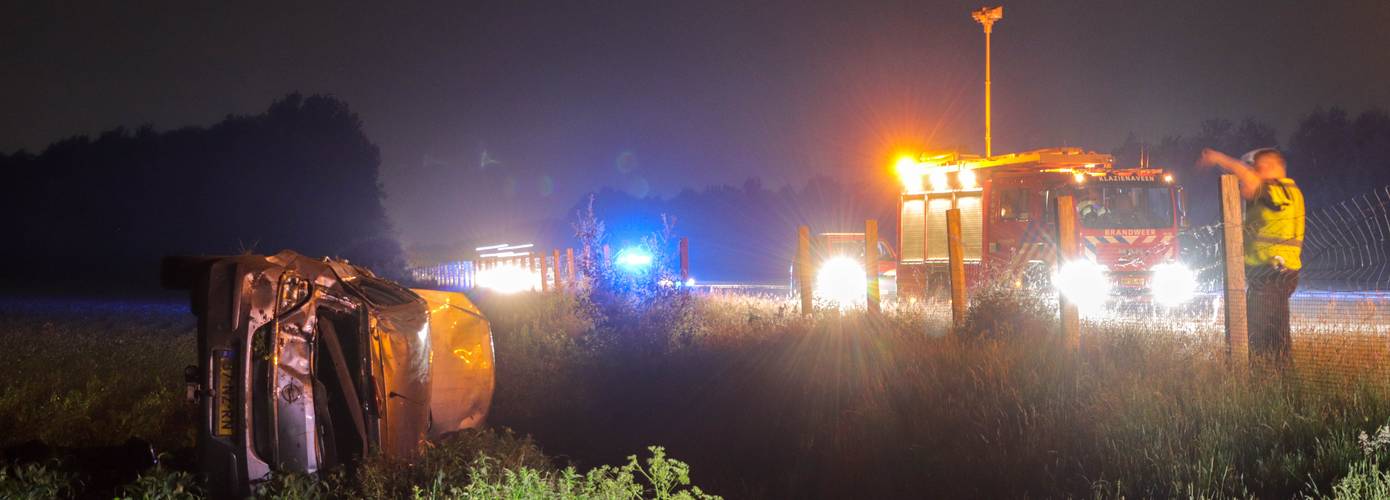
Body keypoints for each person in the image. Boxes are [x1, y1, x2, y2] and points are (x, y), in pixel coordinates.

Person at [1199, 147, 1305, 366]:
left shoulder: (1273, 189)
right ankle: (1279, 376)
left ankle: (1259, 377)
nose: (1243, 183)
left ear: (1266, 169)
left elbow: (1248, 176)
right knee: (1277, 332)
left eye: (1255, 170)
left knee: (1257, 333)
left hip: (1269, 273)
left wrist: (1218, 157)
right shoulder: (1289, 192)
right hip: (1282, 272)